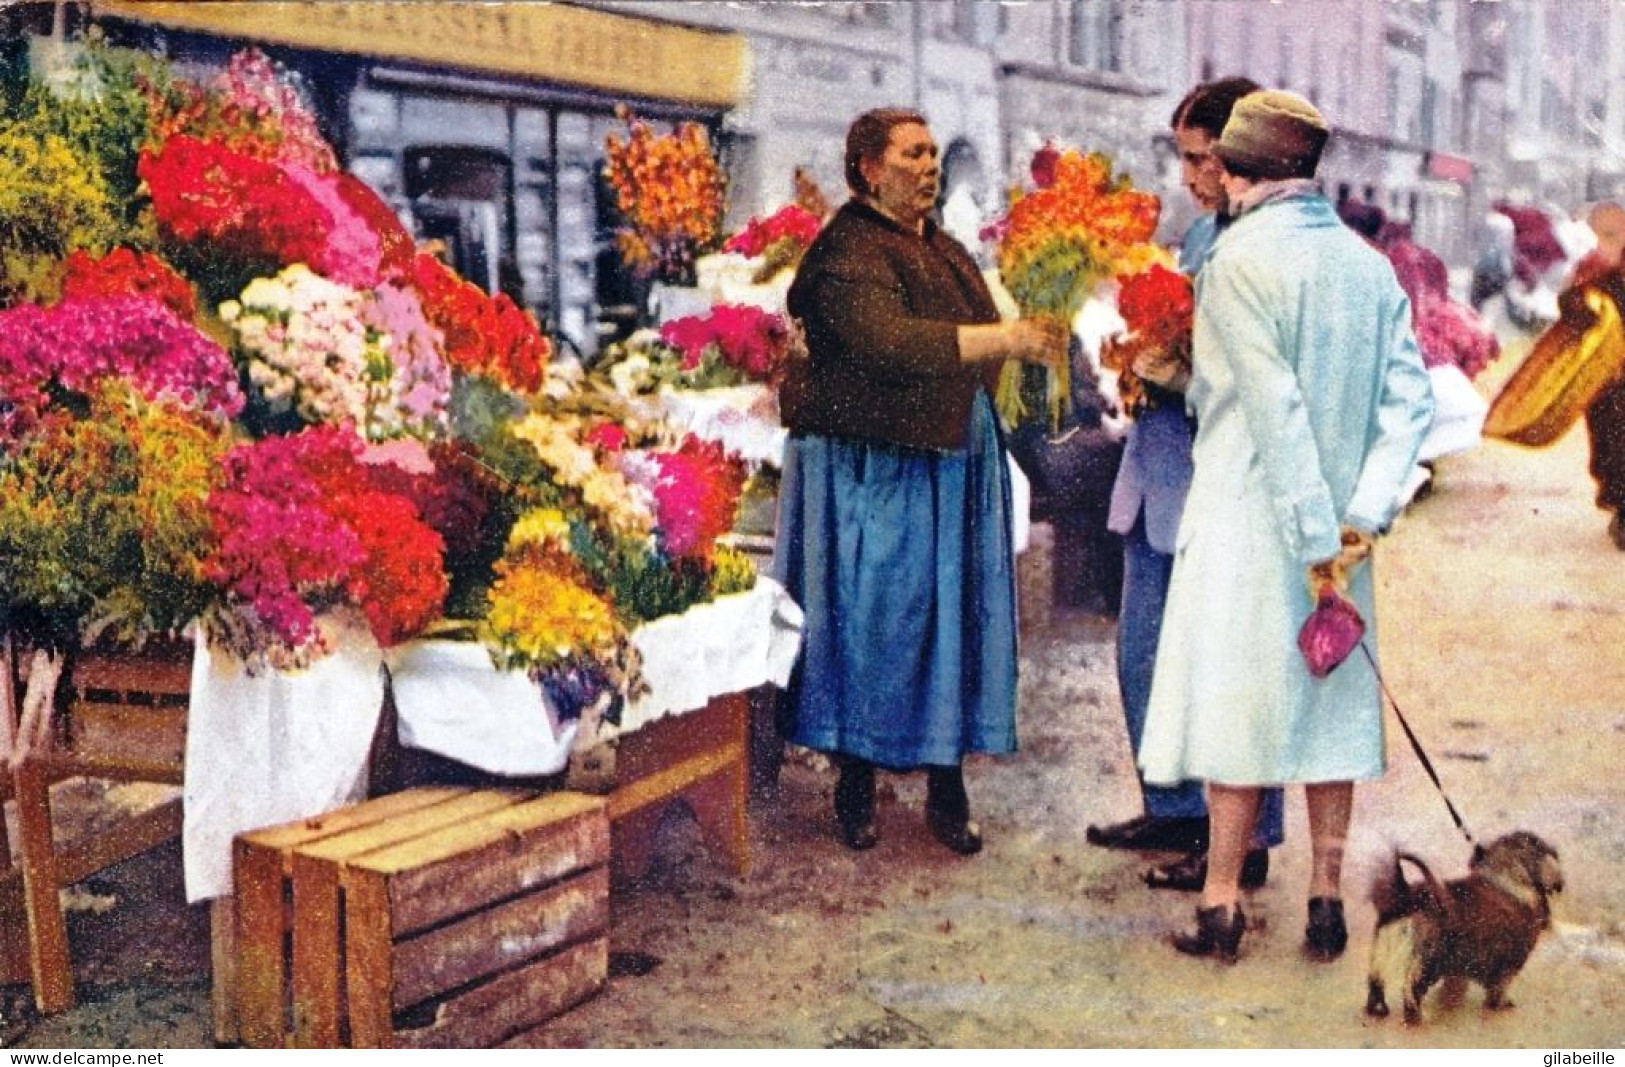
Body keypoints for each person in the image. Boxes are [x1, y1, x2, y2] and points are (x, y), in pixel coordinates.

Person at [1137, 90, 1434, 962]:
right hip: (1345, 531)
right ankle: (1324, 900)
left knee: (1243, 704)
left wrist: (1311, 539)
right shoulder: (1367, 266)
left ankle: (1222, 901)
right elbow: (1407, 403)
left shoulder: (1236, 263)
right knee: (1327, 701)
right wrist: (1357, 522)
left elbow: (1272, 411)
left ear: (1239, 172)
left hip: (1253, 520)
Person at [774, 108, 1067, 854]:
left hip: (951, 460)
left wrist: (1028, 349)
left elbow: (976, 328)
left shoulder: (942, 247)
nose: (931, 165)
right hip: (882, 462)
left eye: (935, 152)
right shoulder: (846, 250)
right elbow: (887, 342)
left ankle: (945, 781)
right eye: (913, 153)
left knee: (954, 618)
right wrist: (1006, 337)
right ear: (869, 168)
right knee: (877, 615)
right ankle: (856, 777)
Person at [1089, 77, 1286, 895]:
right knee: (1143, 655)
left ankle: (1245, 840)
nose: (1188, 176)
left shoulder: (1259, 244)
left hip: (1213, 488)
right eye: (1182, 158)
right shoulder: (1205, 233)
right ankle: (1171, 804)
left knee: (1226, 668)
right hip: (1157, 477)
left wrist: (1167, 366)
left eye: (1198, 158)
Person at [1566, 202, 1625, 549]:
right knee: (1611, 443)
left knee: (1612, 444)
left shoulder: (1594, 266)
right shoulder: (1595, 267)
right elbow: (1570, 307)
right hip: (1607, 377)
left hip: (1608, 377)